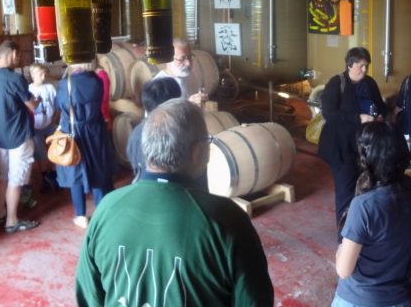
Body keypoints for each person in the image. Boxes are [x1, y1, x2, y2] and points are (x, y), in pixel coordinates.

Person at [75, 99, 274, 306]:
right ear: (198, 151)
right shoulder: (227, 219)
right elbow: (253, 300)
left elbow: (88, 297)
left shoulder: (107, 208)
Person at [333, 122, 411, 307]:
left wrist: (341, 249)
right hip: (399, 299)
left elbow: (343, 270)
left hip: (359, 299)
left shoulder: (363, 206)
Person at [317, 47, 387, 239]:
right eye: (361, 66)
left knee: (366, 187)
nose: (364, 70)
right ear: (350, 65)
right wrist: (358, 118)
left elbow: (381, 107)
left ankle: (362, 230)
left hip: (364, 146)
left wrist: (380, 115)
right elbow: (329, 114)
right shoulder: (336, 83)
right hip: (341, 147)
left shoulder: (370, 83)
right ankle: (344, 237)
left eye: (366, 66)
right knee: (346, 189)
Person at [0, 39, 40, 234]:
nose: (20, 58)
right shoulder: (15, 79)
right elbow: (32, 105)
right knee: (15, 179)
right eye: (20, 54)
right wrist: (38, 99)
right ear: (13, 53)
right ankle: (12, 221)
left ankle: (1, 214)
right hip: (18, 136)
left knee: (3, 176)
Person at [55, 62, 117, 229]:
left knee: (75, 170)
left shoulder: (65, 83)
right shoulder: (96, 80)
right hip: (95, 130)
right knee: (98, 169)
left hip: (74, 131)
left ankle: (81, 215)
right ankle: (102, 212)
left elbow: (60, 105)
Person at [126, 76, 181, 181]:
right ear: (172, 104)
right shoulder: (178, 134)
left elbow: (135, 165)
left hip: (142, 185)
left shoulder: (137, 132)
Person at [28, 63, 58, 193]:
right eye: (40, 74)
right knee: (41, 153)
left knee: (59, 144)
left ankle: (56, 173)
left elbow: (56, 106)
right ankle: (45, 176)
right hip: (35, 128)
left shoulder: (50, 88)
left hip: (50, 124)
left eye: (44, 73)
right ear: (32, 75)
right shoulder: (28, 90)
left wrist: (54, 120)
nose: (43, 76)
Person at [154, 38, 208, 106]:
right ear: (168, 59)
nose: (188, 63)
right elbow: (157, 115)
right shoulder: (157, 86)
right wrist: (188, 104)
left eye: (189, 57)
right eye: (182, 59)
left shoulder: (190, 76)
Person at [94, 64, 112, 130]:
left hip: (102, 115)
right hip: (101, 114)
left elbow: (105, 98)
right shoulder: (101, 75)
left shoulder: (102, 76)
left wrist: (106, 117)